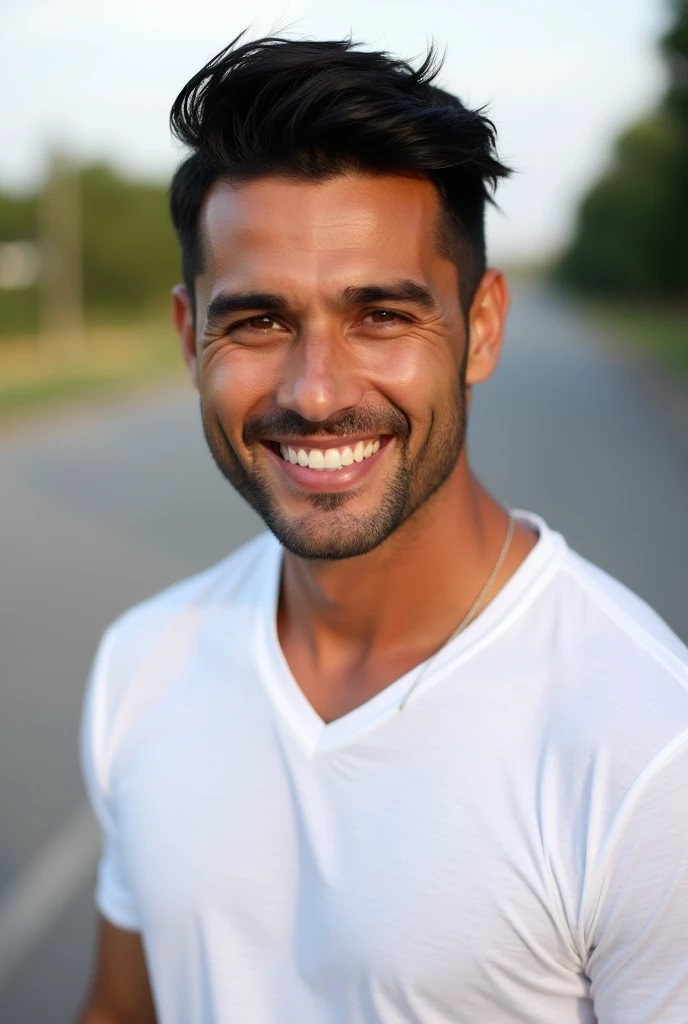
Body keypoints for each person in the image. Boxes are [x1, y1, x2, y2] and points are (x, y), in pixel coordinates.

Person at [79, 34, 688, 1024]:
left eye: (380, 316)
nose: (315, 393)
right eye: (259, 321)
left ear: (481, 327)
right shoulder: (143, 662)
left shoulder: (647, 752)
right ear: (191, 336)